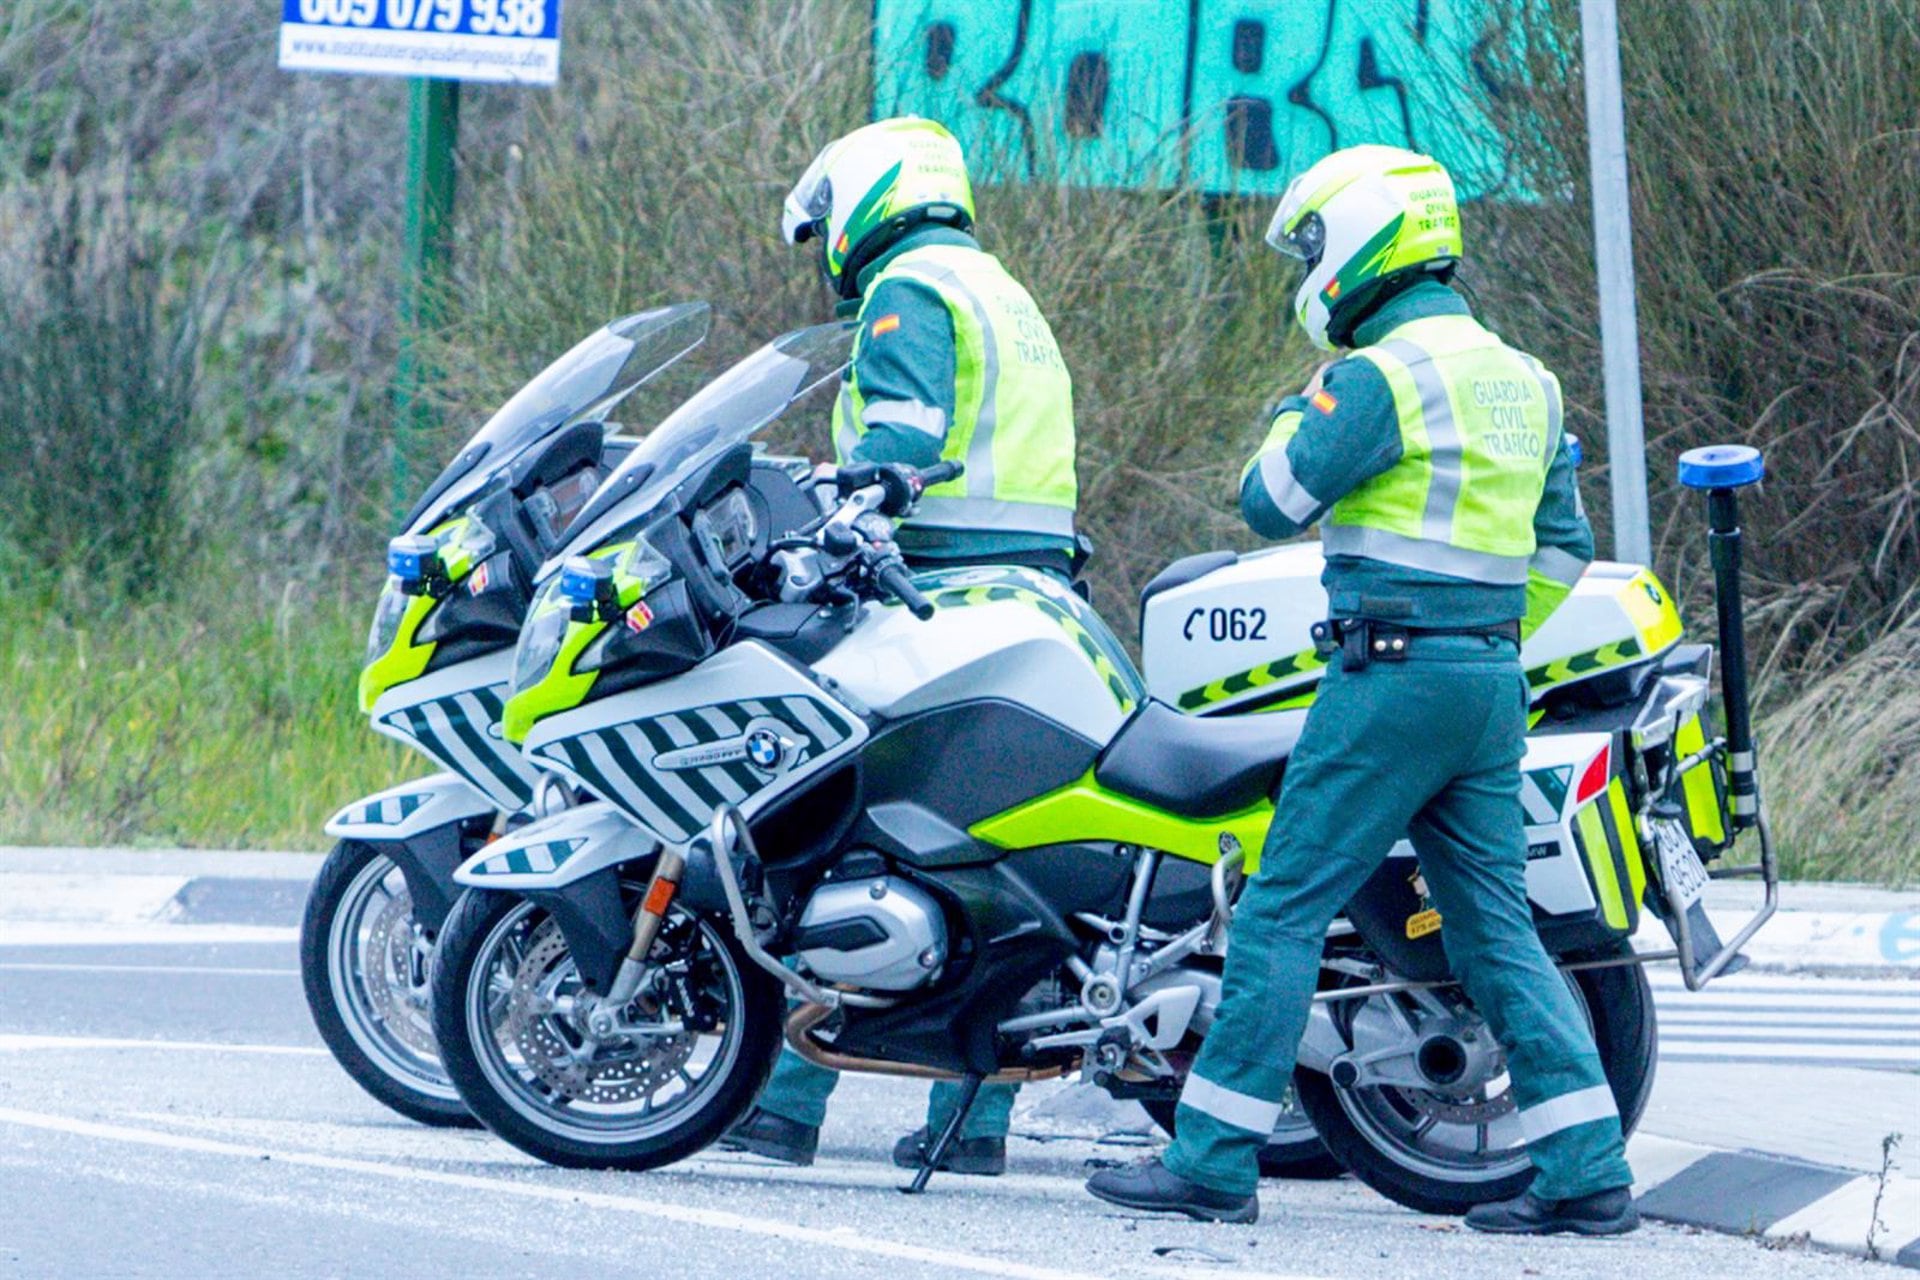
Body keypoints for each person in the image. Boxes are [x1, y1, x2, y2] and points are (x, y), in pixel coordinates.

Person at [1084, 144, 1637, 1235]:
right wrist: (1485, 632)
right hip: (1484, 686)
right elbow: (1566, 549)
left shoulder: (1377, 376)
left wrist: (1299, 412)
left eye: (1312, 242)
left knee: (1284, 905)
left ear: (1360, 240)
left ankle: (1210, 1158)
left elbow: (1269, 499)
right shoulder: (1530, 380)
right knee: (1495, 934)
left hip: (1386, 678)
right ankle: (1586, 1168)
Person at [720, 116, 1080, 1176]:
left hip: (939, 593)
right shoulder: (1000, 291)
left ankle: (785, 1097)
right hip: (1026, 590)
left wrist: (830, 510)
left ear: (867, 198)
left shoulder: (911, 290)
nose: (828, 244)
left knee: (834, 824)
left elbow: (904, 440)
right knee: (986, 853)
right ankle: (974, 1121)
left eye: (827, 220)